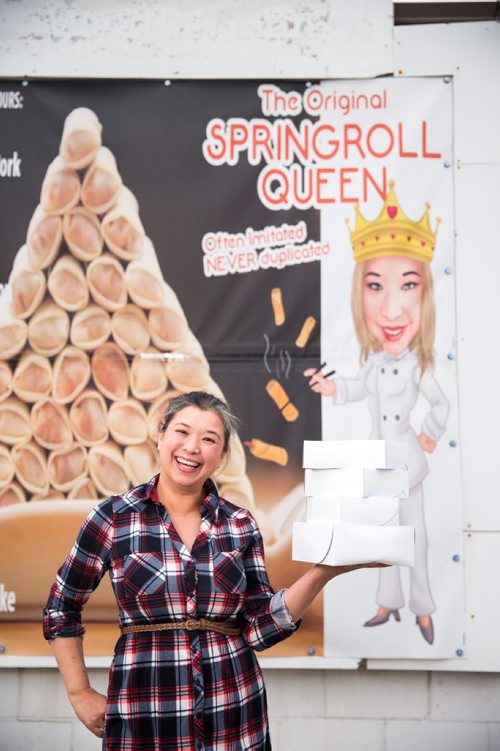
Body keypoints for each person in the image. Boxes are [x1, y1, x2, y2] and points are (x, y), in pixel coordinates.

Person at [44, 390, 384, 750]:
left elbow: (258, 631)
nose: (192, 447)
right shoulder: (112, 518)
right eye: (182, 432)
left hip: (234, 715)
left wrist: (321, 573)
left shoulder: (240, 525)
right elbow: (61, 608)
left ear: (221, 457)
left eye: (209, 440)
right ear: (160, 436)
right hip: (145, 716)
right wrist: (79, 691)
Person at [305, 181, 449, 646]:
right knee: (381, 535)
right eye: (376, 285)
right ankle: (388, 603)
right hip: (375, 459)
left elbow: (440, 403)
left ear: (424, 296)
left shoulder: (419, 364)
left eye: (407, 285)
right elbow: (354, 389)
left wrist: (428, 435)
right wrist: (331, 387)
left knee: (417, 536)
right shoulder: (373, 362)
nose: (391, 307)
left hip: (408, 458)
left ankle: (424, 608)